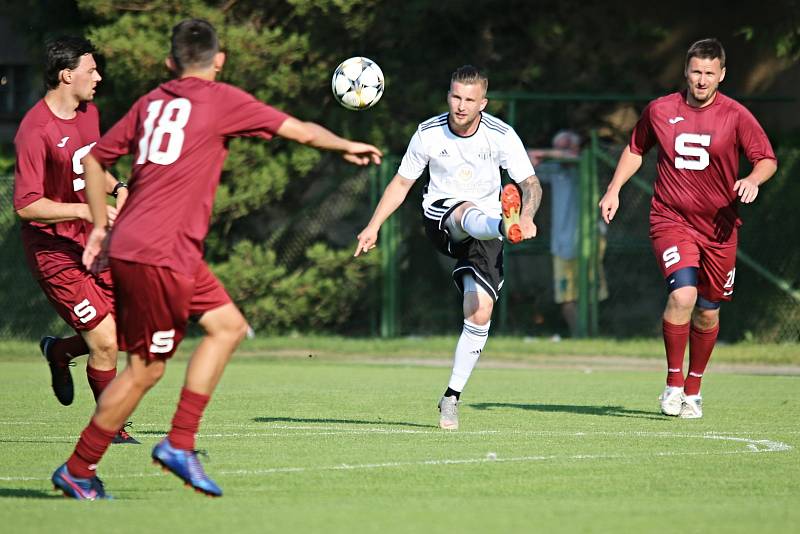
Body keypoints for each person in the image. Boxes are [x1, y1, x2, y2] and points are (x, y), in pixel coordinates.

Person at [51, 18, 382, 500]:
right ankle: (81, 468)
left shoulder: (150, 102)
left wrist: (101, 227)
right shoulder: (223, 99)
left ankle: (179, 443)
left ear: (169, 64)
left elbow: (94, 160)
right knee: (145, 369)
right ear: (220, 61)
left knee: (227, 328)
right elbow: (302, 132)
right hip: (161, 251)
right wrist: (346, 143)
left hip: (149, 244)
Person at [355, 65, 542, 430]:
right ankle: (503, 223)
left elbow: (531, 184)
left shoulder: (501, 136)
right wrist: (373, 225)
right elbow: (401, 183)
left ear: (482, 103)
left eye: (469, 100)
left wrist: (529, 215)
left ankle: (451, 396)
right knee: (465, 212)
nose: (460, 105)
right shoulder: (427, 133)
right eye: (456, 96)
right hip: (442, 218)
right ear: (448, 96)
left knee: (479, 312)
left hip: (485, 237)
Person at [598, 38, 777, 419]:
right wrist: (614, 189)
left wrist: (753, 180)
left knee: (708, 312)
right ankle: (673, 383)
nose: (701, 79)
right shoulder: (661, 109)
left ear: (722, 75)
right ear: (686, 70)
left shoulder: (736, 115)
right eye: (696, 71)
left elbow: (767, 159)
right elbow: (635, 148)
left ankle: (693, 391)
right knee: (683, 296)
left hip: (719, 228)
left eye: (709, 73)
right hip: (671, 219)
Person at [13, 36, 138, 444]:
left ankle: (60, 351)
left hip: (92, 240)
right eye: (91, 70)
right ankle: (111, 429)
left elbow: (91, 165)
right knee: (105, 343)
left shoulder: (89, 113)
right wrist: (85, 210)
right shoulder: (35, 130)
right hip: (52, 251)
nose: (98, 77)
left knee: (121, 331)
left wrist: (118, 186)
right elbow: (27, 205)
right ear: (67, 75)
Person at [529, 130, 608, 337]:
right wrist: (533, 159)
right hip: (562, 244)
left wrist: (543, 153)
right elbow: (527, 165)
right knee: (566, 297)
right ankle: (578, 337)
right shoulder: (554, 171)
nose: (562, 152)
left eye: (566, 147)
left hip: (590, 240)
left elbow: (573, 158)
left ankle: (592, 335)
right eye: (560, 147)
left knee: (590, 295)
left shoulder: (586, 165)